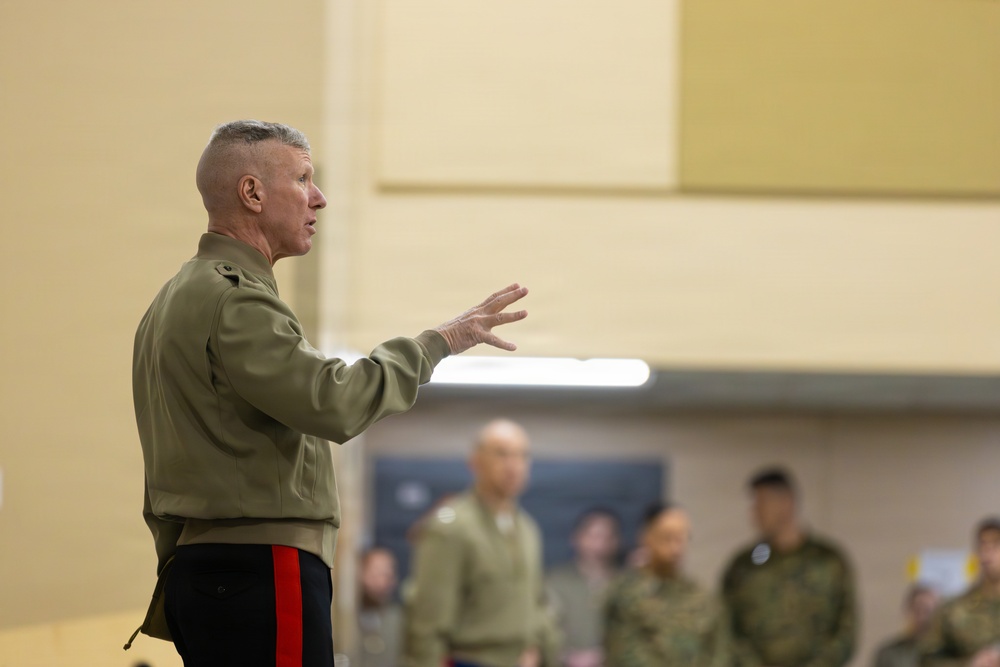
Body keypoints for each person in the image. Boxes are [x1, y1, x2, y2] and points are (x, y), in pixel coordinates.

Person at [130, 119, 529, 666]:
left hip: (207, 568)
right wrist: (440, 343)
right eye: (303, 178)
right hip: (259, 568)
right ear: (252, 193)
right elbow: (333, 402)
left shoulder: (173, 299)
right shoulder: (236, 300)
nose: (318, 199)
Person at [403, 419, 553, 667]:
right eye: (502, 454)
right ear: (475, 461)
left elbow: (536, 602)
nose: (513, 466)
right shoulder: (451, 527)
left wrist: (537, 648)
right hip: (470, 659)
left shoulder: (527, 528)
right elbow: (428, 619)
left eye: (522, 455)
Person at [721, 467, 857, 667]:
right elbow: (726, 629)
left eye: (761, 503)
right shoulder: (743, 566)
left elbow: (846, 631)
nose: (754, 512)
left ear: (787, 502)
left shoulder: (829, 562)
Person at [603, 503, 728, 667]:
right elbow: (623, 654)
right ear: (646, 536)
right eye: (667, 537)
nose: (676, 548)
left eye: (682, 538)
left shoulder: (699, 594)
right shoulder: (625, 594)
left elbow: (718, 651)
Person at [919, 517, 1000, 667]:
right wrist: (969, 664)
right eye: (983, 545)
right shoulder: (954, 609)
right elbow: (927, 660)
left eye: (996, 544)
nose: (988, 552)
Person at [546, 509, 622, 667]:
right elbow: (542, 631)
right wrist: (567, 656)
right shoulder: (555, 582)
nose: (599, 545)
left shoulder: (625, 584)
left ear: (616, 542)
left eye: (607, 537)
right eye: (593, 536)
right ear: (576, 538)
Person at [872, 584, 939, 667]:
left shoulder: (946, 654)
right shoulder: (890, 654)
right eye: (917, 609)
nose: (923, 616)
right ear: (908, 611)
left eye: (927, 610)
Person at [358, 548, 404, 667]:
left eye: (388, 575)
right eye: (376, 574)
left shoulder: (400, 620)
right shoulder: (348, 620)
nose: (383, 581)